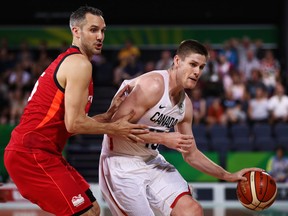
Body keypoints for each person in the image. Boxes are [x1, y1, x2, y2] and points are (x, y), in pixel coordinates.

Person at [3, 6, 149, 216]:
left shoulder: (74, 62)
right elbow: (74, 124)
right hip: (31, 154)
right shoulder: (79, 64)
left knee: (93, 209)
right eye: (93, 30)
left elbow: (70, 124)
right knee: (86, 213)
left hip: (44, 153)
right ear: (76, 31)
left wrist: (107, 116)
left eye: (103, 30)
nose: (100, 36)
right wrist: (116, 128)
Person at [99, 39, 263, 216]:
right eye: (193, 64)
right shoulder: (153, 85)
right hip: (121, 164)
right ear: (177, 61)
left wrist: (228, 176)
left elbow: (190, 154)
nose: (197, 72)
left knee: (192, 211)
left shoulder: (186, 106)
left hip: (151, 160)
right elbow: (113, 128)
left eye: (201, 67)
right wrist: (162, 138)